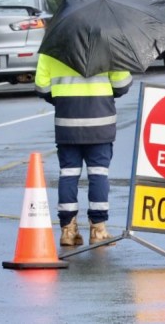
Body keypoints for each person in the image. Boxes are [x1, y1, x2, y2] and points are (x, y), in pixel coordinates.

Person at [34, 53, 132, 246]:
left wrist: (61, 100)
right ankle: (98, 230)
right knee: (98, 174)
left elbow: (42, 87)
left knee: (68, 174)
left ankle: (68, 231)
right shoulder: (108, 45)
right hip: (100, 123)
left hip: (67, 122)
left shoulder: (52, 49)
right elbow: (122, 85)